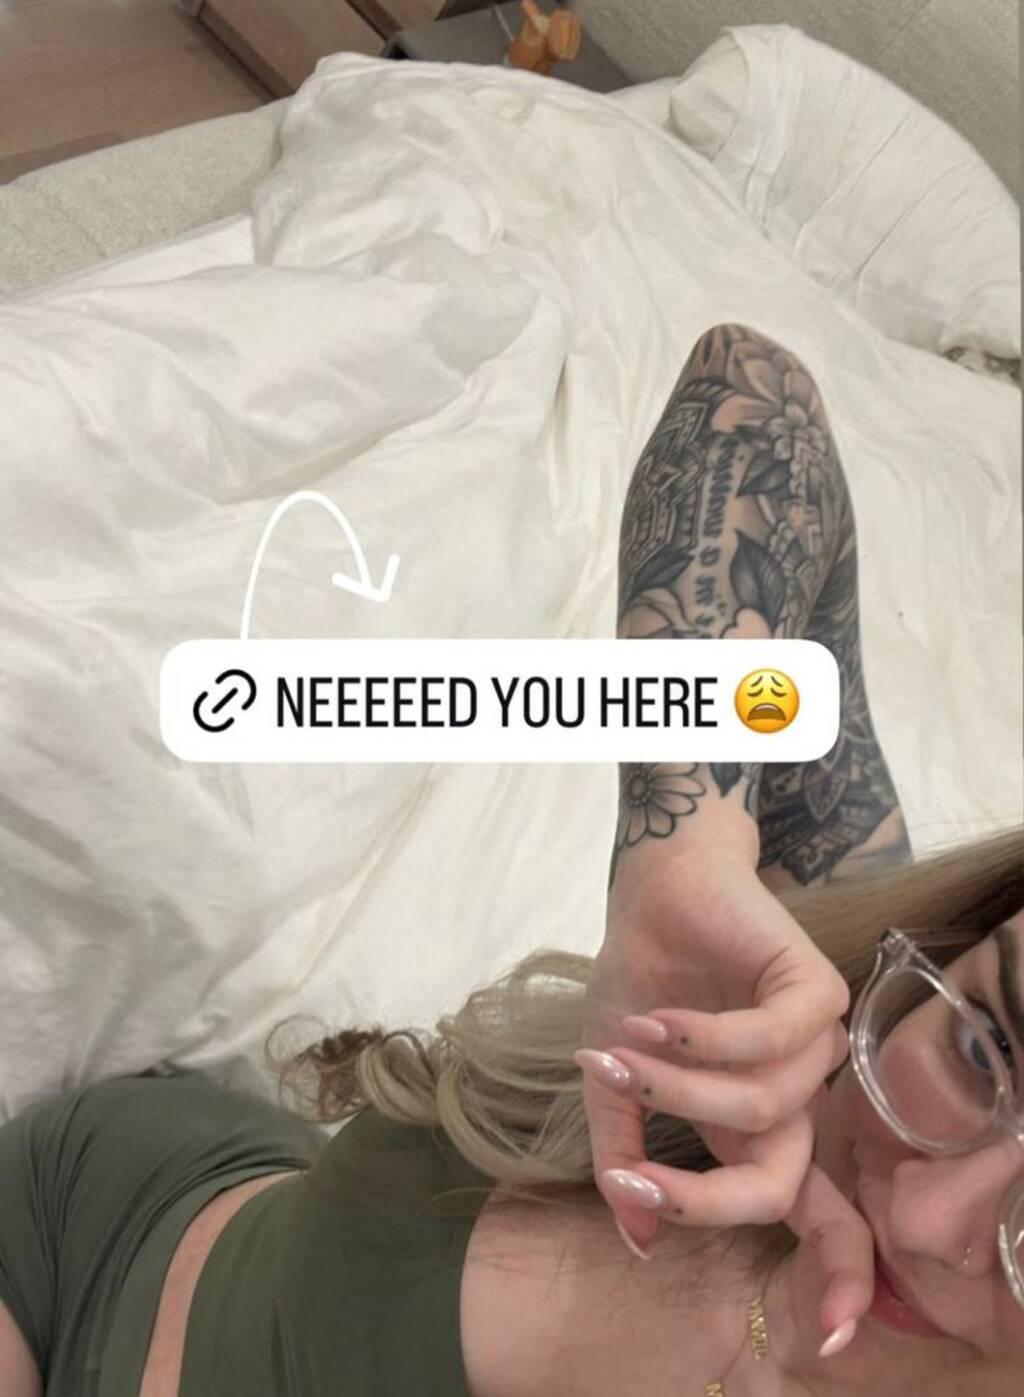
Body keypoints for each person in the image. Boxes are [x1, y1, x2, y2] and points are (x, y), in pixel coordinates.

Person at [1, 326, 1019, 1395]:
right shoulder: (825, 1024)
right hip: (101, 1213)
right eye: (985, 1042)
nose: (921, 1215)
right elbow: (755, 400)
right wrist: (681, 844)